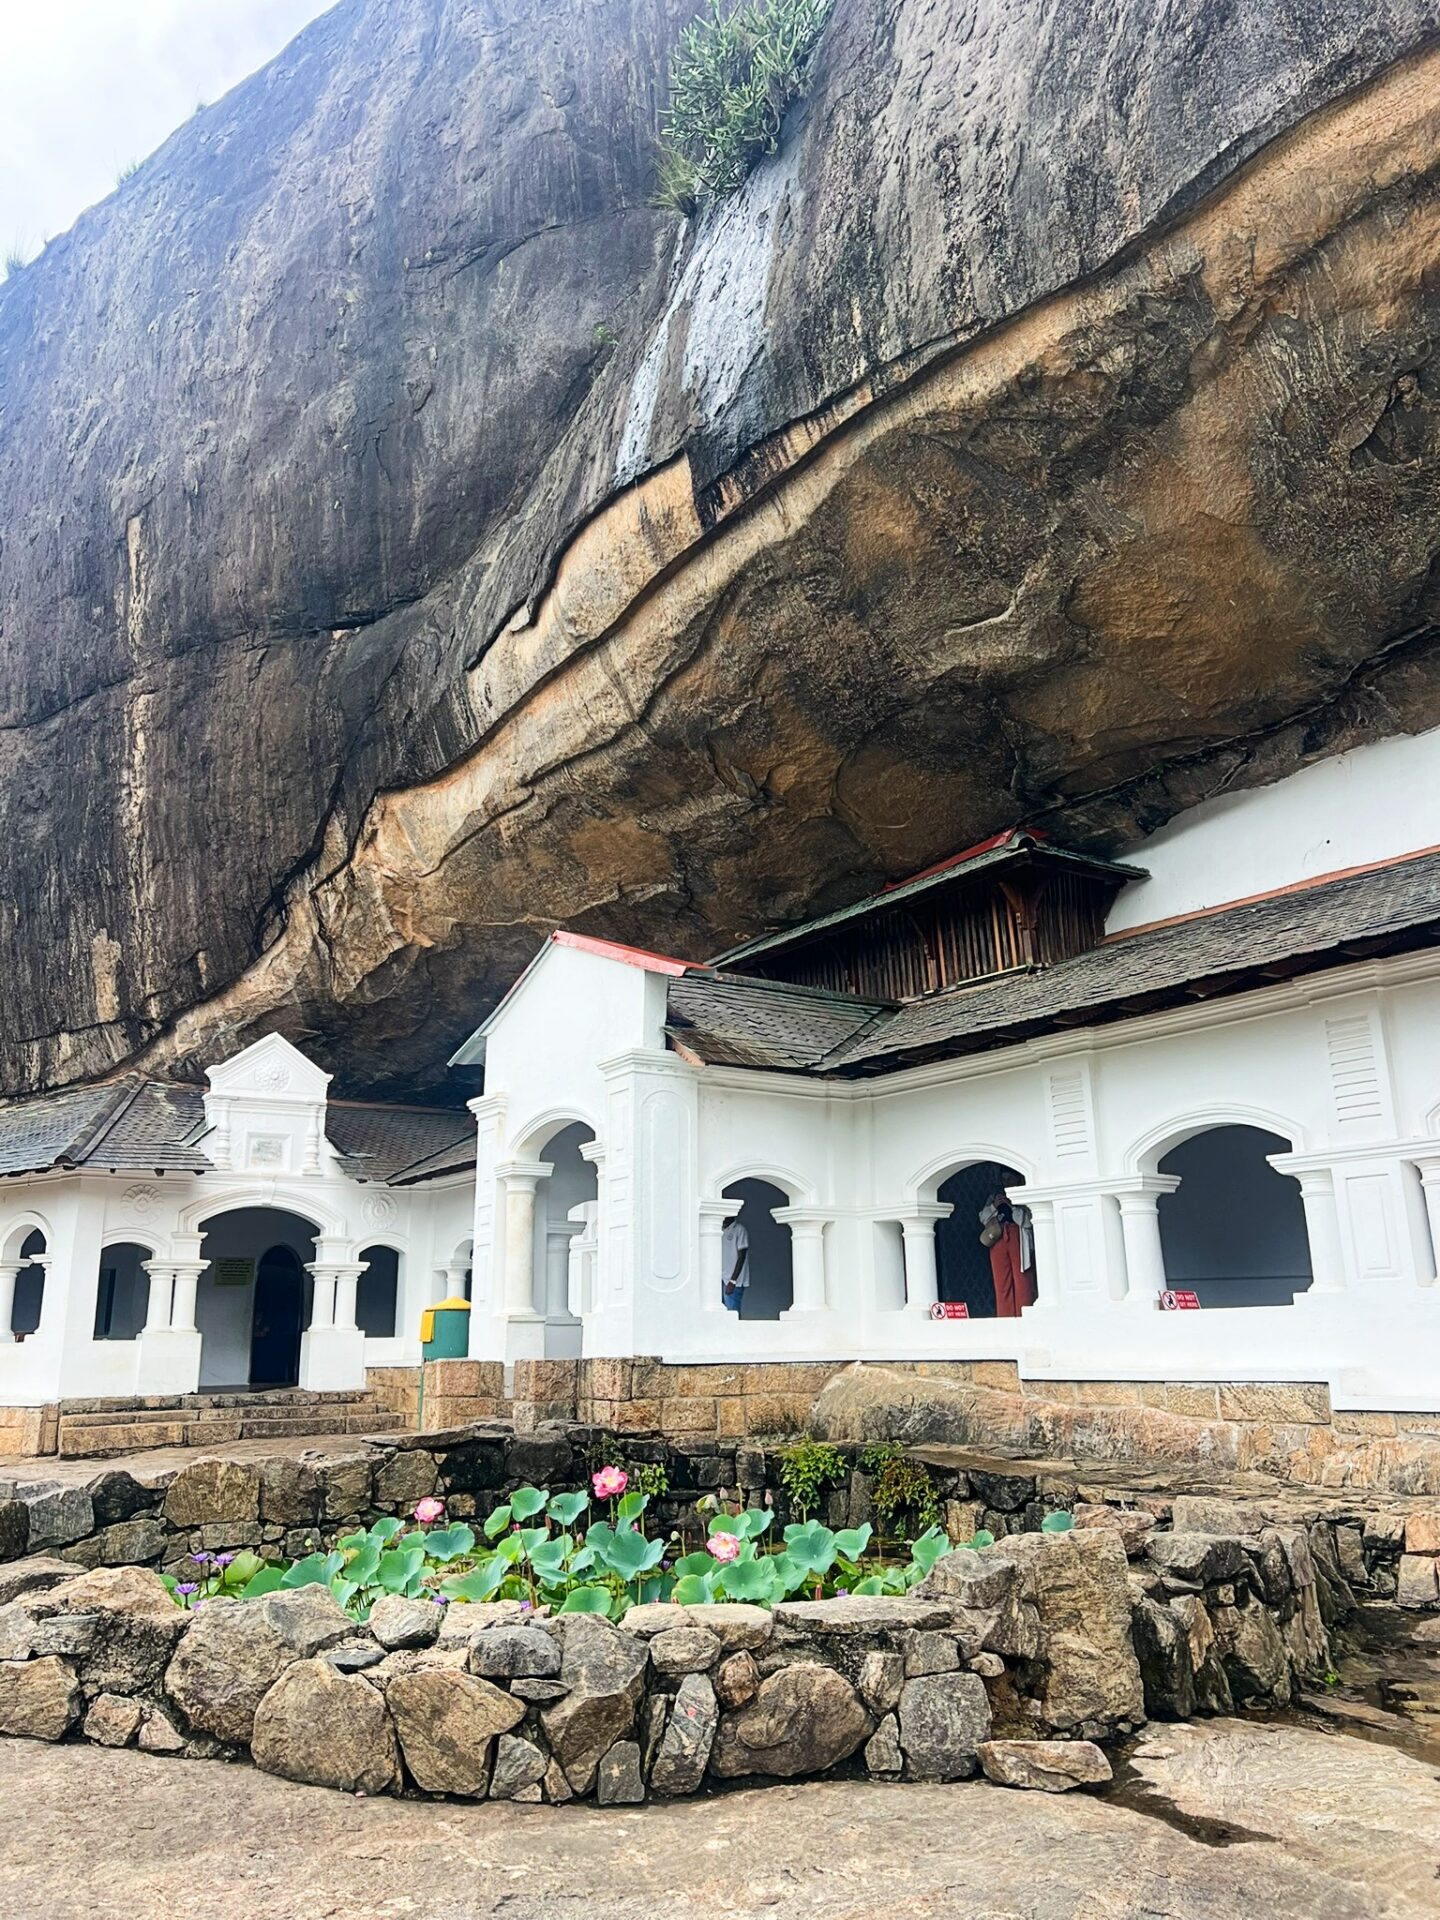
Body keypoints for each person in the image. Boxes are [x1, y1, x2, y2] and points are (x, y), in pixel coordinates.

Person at [979, 1192, 1037, 1318]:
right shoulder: (993, 1196)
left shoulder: (1023, 1195)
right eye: (1004, 1179)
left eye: (1010, 1179)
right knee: (1002, 1282)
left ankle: (1024, 1317)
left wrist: (1011, 1205)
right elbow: (983, 1218)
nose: (1007, 1182)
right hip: (998, 1236)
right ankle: (1005, 1319)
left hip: (1018, 1236)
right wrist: (995, 1205)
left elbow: (1027, 1221)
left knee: (1022, 1280)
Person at [721, 1215, 750, 1313]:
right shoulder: (720, 1230)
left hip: (733, 1281)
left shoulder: (739, 1230)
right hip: (721, 1278)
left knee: (732, 1313)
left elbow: (741, 1256)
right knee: (719, 1313)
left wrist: (733, 1281)